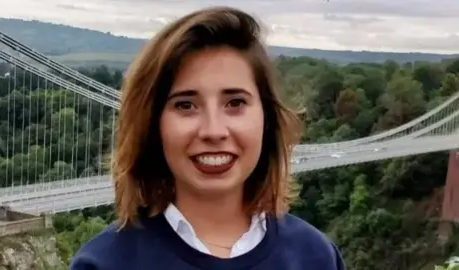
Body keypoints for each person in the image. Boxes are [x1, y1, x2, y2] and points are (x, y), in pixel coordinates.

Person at [69, 6, 345, 270]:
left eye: (235, 102)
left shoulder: (315, 256)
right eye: (185, 105)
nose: (214, 131)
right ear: (153, 125)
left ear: (266, 118)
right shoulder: (104, 264)